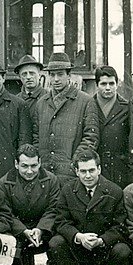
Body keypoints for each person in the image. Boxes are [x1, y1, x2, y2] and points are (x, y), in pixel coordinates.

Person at [46, 150, 131, 265]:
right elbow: (61, 221)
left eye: (92, 170)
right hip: (78, 245)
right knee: (56, 243)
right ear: (77, 171)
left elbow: (120, 226)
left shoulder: (114, 191)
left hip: (104, 247)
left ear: (99, 169)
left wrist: (101, 240)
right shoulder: (68, 190)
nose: (88, 175)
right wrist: (79, 236)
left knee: (123, 250)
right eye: (83, 171)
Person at [33, 52, 99, 184]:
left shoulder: (85, 101)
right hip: (45, 175)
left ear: (69, 75)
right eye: (52, 75)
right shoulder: (41, 103)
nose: (56, 79)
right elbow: (36, 137)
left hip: (72, 175)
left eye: (60, 74)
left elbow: (91, 138)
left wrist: (75, 162)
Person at [0, 144, 60, 265]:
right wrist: (24, 231)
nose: (30, 171)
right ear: (16, 164)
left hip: (43, 229)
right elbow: (5, 213)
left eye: (34, 166)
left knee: (59, 238)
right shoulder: (4, 183)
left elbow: (54, 209)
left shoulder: (52, 180)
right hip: (17, 230)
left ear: (39, 163)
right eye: (25, 166)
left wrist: (40, 229)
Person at [93, 65, 133, 188]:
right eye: (103, 84)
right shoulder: (88, 106)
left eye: (112, 83)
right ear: (97, 85)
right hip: (95, 169)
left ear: (117, 84)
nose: (108, 88)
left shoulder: (127, 108)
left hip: (120, 170)